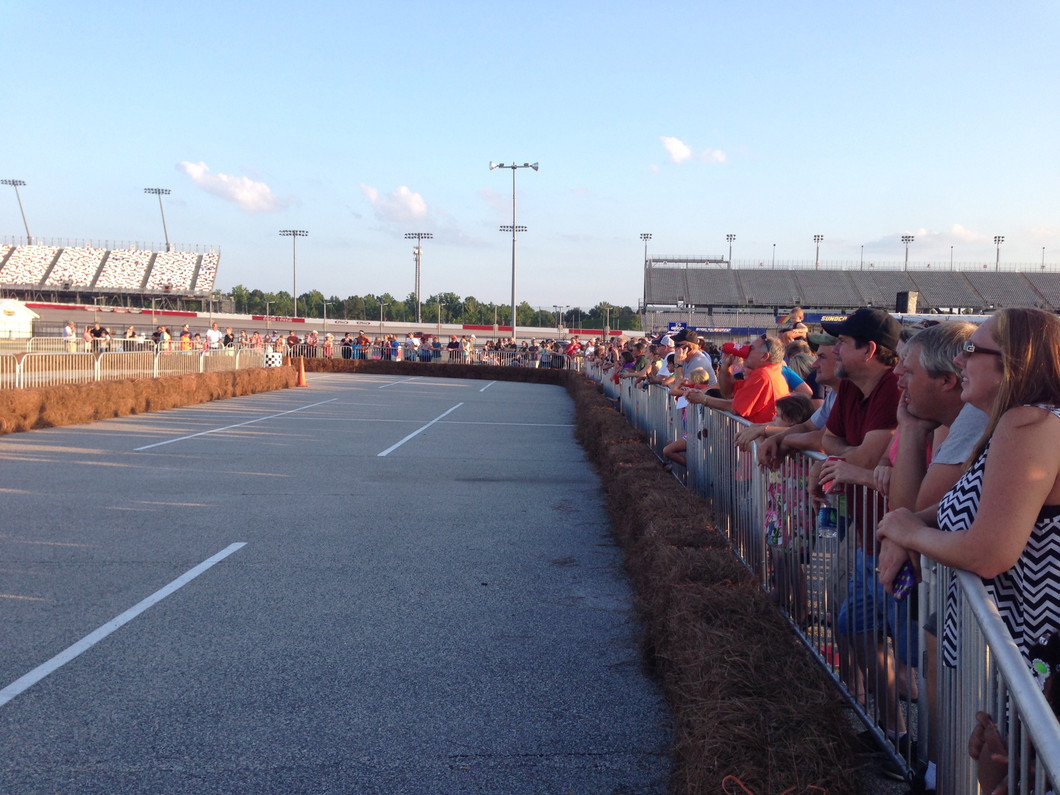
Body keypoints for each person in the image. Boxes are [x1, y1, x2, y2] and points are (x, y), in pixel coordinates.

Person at [877, 308, 1060, 676]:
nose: (959, 360)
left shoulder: (1029, 423)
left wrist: (909, 533)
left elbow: (989, 552)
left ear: (1014, 362)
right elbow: (966, 507)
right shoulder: (1018, 423)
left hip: (1029, 654)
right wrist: (905, 520)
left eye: (972, 351)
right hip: (1013, 649)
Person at [686, 335, 790, 423]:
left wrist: (703, 399)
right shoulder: (769, 372)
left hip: (760, 442)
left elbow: (735, 408)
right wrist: (726, 367)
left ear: (764, 356)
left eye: (752, 349)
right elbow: (729, 392)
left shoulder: (763, 375)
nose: (747, 352)